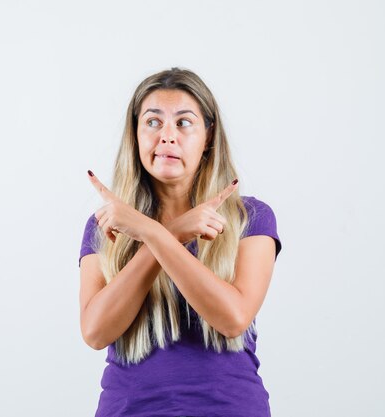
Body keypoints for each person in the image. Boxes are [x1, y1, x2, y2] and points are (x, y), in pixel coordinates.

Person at [78, 67, 282, 417]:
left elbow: (233, 318)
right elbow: (96, 332)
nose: (167, 136)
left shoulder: (251, 218)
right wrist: (167, 233)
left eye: (184, 123)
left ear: (209, 137)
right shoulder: (105, 226)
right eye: (153, 123)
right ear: (135, 134)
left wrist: (154, 234)